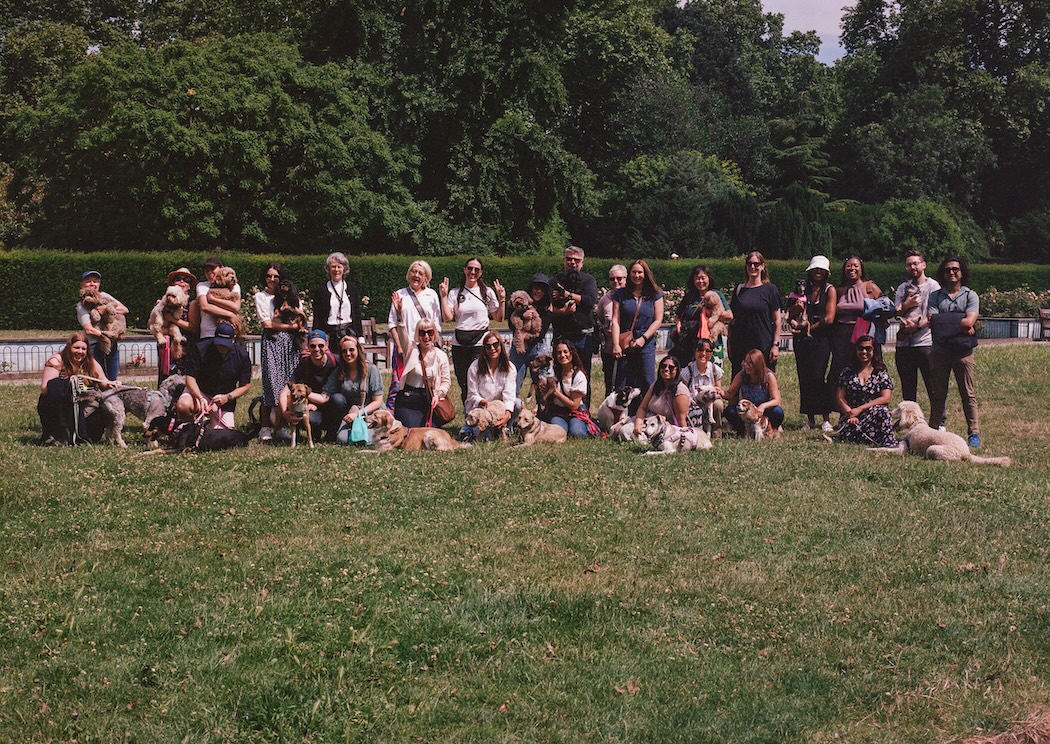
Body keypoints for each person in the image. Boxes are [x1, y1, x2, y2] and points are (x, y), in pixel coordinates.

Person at [926, 256, 982, 448]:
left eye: (955, 269)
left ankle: (974, 433)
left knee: (967, 393)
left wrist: (945, 322)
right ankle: (933, 430)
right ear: (942, 273)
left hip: (963, 353)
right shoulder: (935, 296)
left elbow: (969, 321)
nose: (951, 272)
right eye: (947, 269)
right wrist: (961, 323)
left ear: (962, 272)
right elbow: (934, 322)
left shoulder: (971, 295)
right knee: (938, 394)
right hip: (940, 352)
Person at [440, 257, 506, 409]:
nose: (472, 272)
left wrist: (502, 299)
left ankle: (482, 411)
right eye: (470, 268)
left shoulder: (487, 292)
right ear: (465, 270)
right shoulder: (455, 293)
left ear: (481, 272)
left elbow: (498, 318)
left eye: (476, 269)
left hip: (480, 342)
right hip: (459, 343)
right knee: (463, 381)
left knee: (478, 378)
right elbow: (447, 318)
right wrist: (443, 296)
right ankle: (469, 413)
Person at [37, 332, 116, 445]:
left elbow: (103, 382)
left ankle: (84, 435)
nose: (80, 351)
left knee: (104, 406)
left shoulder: (91, 362)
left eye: (83, 349)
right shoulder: (57, 360)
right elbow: (45, 389)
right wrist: (66, 384)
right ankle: (61, 434)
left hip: (84, 402)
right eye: (76, 348)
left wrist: (111, 384)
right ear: (69, 347)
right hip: (59, 403)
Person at [255, 263, 302, 442]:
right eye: (269, 276)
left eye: (276, 276)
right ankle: (265, 427)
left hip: (291, 344)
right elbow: (267, 324)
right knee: (270, 383)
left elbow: (300, 315)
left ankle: (283, 425)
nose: (272, 279)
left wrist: (295, 325)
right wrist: (290, 327)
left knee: (288, 383)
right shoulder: (261, 297)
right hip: (272, 342)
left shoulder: (291, 295)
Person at [177, 321, 252, 430]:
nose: (221, 347)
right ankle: (190, 430)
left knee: (223, 434)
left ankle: (206, 424)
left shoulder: (242, 355)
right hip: (200, 392)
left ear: (233, 339)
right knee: (183, 405)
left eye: (225, 344)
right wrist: (200, 397)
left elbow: (245, 386)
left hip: (224, 399)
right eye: (219, 343)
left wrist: (227, 397)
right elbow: (190, 378)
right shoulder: (200, 348)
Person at [793, 255, 837, 432]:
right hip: (801, 340)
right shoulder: (803, 290)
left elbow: (830, 318)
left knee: (818, 376)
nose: (818, 272)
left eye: (821, 270)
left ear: (826, 272)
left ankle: (826, 418)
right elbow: (791, 314)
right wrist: (795, 310)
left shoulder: (829, 290)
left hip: (821, 339)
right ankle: (810, 418)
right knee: (804, 377)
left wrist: (810, 328)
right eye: (815, 269)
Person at [549, 245, 598, 406]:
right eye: (569, 259)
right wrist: (563, 311)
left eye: (576, 260)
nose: (572, 262)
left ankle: (584, 411)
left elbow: (589, 301)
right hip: (562, 336)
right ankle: (558, 409)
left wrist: (566, 295)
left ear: (582, 262)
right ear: (564, 261)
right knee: (558, 373)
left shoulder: (588, 280)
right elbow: (548, 307)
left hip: (583, 336)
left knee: (583, 375)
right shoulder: (555, 281)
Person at [893, 249, 940, 410]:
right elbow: (896, 312)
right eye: (909, 265)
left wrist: (917, 326)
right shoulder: (902, 288)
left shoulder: (933, 286)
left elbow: (935, 314)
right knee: (908, 388)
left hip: (925, 342)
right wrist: (907, 304)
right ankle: (910, 420)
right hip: (904, 344)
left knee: (932, 385)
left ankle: (938, 420)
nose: (912, 267)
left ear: (923, 265)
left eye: (915, 263)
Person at [832, 335, 898, 448]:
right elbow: (840, 396)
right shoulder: (847, 372)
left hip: (872, 414)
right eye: (860, 348)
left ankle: (888, 444)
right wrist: (850, 413)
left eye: (868, 348)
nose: (864, 352)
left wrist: (860, 409)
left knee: (883, 411)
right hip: (851, 418)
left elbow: (886, 398)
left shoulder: (880, 372)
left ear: (874, 351)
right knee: (850, 430)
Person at [610, 259, 664, 392]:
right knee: (623, 381)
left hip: (646, 341)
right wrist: (616, 344)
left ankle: (646, 405)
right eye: (634, 272)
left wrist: (643, 338)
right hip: (626, 342)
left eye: (640, 272)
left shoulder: (655, 294)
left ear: (646, 274)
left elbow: (658, 320)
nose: (637, 275)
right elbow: (615, 320)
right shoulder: (620, 294)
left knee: (647, 380)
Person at [829, 255, 881, 391]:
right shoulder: (839, 290)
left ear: (861, 269)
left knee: (863, 364)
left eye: (855, 266)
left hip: (863, 333)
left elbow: (884, 308)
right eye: (849, 266)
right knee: (841, 367)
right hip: (841, 335)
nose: (852, 268)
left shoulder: (870, 287)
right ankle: (840, 400)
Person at [321, 335, 385, 444]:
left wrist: (358, 414)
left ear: (358, 350)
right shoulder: (339, 371)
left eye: (351, 350)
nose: (348, 354)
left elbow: (377, 402)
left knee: (368, 438)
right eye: (344, 351)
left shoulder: (371, 369)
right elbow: (325, 395)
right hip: (351, 413)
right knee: (342, 439)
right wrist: (306, 394)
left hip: (371, 412)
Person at [277, 329, 339, 441]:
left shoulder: (336, 361)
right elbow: (284, 392)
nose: (317, 349)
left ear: (327, 345)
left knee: (339, 400)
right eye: (313, 346)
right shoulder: (304, 363)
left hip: (332, 404)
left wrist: (304, 394)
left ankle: (333, 432)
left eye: (320, 345)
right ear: (308, 347)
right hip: (313, 406)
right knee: (311, 419)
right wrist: (285, 412)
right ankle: (315, 432)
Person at [391, 315, 451, 428]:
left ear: (434, 333)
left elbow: (446, 381)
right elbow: (403, 336)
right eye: (422, 333)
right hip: (408, 400)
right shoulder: (411, 349)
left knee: (430, 433)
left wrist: (438, 395)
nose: (426, 336)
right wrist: (399, 318)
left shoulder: (441, 355)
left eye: (430, 332)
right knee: (411, 433)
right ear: (417, 335)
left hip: (428, 399)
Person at [728, 252, 781, 379]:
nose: (752, 267)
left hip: (763, 344)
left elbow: (777, 319)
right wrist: (729, 343)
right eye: (749, 264)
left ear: (762, 266)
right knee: (739, 382)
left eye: (756, 264)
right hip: (740, 345)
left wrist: (775, 345)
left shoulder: (770, 289)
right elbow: (732, 319)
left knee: (764, 381)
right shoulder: (739, 289)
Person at [459, 331, 517, 442]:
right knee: (486, 439)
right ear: (484, 349)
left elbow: (509, 395)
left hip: (500, 409)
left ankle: (506, 427)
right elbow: (472, 394)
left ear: (501, 345)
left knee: (517, 404)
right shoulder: (474, 367)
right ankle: (468, 429)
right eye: (488, 346)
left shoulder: (510, 368)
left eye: (495, 345)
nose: (492, 349)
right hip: (481, 408)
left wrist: (506, 415)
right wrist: (483, 402)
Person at [670, 264, 733, 365]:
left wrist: (713, 315)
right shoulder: (689, 296)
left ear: (709, 278)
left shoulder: (716, 294)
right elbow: (679, 316)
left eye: (703, 278)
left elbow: (729, 315)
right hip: (690, 341)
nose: (700, 281)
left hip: (711, 340)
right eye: (697, 278)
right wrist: (679, 332)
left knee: (712, 371)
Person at [76, 270, 128, 382]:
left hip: (112, 344)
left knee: (112, 378)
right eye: (88, 281)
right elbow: (89, 330)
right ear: (82, 284)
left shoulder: (104, 296)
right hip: (94, 345)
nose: (92, 284)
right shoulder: (81, 306)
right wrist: (107, 336)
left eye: (95, 281)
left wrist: (106, 309)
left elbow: (124, 309)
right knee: (98, 379)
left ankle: (112, 392)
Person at [722, 348, 784, 436]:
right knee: (730, 411)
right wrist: (721, 392)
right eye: (745, 362)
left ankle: (770, 430)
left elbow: (776, 400)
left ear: (758, 364)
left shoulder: (769, 377)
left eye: (750, 363)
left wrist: (763, 406)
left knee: (778, 412)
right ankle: (742, 430)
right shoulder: (741, 375)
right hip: (746, 411)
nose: (746, 366)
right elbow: (730, 393)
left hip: (764, 412)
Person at [540, 339, 594, 438]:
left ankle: (584, 426)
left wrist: (555, 392)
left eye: (565, 352)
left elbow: (574, 405)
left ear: (571, 353)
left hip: (575, 412)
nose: (562, 355)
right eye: (559, 353)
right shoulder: (552, 373)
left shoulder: (579, 375)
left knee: (577, 434)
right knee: (556, 434)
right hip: (557, 412)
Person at [510, 273, 553, 397]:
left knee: (542, 385)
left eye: (542, 289)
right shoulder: (519, 303)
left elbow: (541, 332)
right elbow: (511, 325)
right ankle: (514, 407)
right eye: (536, 288)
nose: (538, 292)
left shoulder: (547, 308)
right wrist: (523, 316)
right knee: (513, 383)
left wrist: (526, 339)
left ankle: (541, 407)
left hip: (537, 348)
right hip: (518, 348)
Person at [311, 251, 364, 345]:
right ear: (328, 269)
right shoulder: (321, 291)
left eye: (339, 267)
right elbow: (317, 317)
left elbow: (357, 314)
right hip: (329, 335)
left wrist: (360, 337)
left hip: (349, 334)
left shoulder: (352, 289)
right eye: (333, 267)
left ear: (344, 269)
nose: (336, 270)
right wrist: (315, 337)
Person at [632, 356, 691, 434]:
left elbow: (681, 420)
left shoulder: (680, 390)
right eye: (663, 366)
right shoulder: (656, 385)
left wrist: (684, 435)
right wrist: (637, 424)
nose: (666, 369)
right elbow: (642, 407)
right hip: (647, 421)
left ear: (677, 370)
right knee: (620, 428)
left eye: (671, 367)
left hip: (665, 429)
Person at [157, 267, 196, 384]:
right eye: (178, 279)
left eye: (186, 280)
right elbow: (155, 324)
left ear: (189, 286)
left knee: (183, 382)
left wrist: (172, 319)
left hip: (185, 347)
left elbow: (193, 328)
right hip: (167, 346)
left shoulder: (192, 303)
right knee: (165, 379)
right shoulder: (164, 301)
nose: (182, 282)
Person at [681, 337, 725, 436]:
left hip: (710, 402)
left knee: (718, 404)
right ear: (695, 352)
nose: (704, 354)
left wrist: (714, 394)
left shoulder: (715, 370)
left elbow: (719, 392)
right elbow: (683, 393)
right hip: (693, 403)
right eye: (700, 350)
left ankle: (716, 432)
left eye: (707, 351)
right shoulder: (687, 371)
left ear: (712, 353)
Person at [192, 256, 241, 340]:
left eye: (212, 269)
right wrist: (229, 314)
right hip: (208, 334)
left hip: (228, 333)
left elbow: (235, 307)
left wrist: (212, 300)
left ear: (222, 268)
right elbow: (205, 307)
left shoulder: (234, 285)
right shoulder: (202, 286)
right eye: (207, 271)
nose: (210, 273)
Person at [597, 265, 627, 397]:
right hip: (609, 349)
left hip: (628, 348)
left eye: (619, 278)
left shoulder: (631, 298)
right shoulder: (604, 300)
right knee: (610, 383)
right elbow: (601, 319)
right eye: (612, 279)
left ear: (626, 279)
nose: (616, 281)